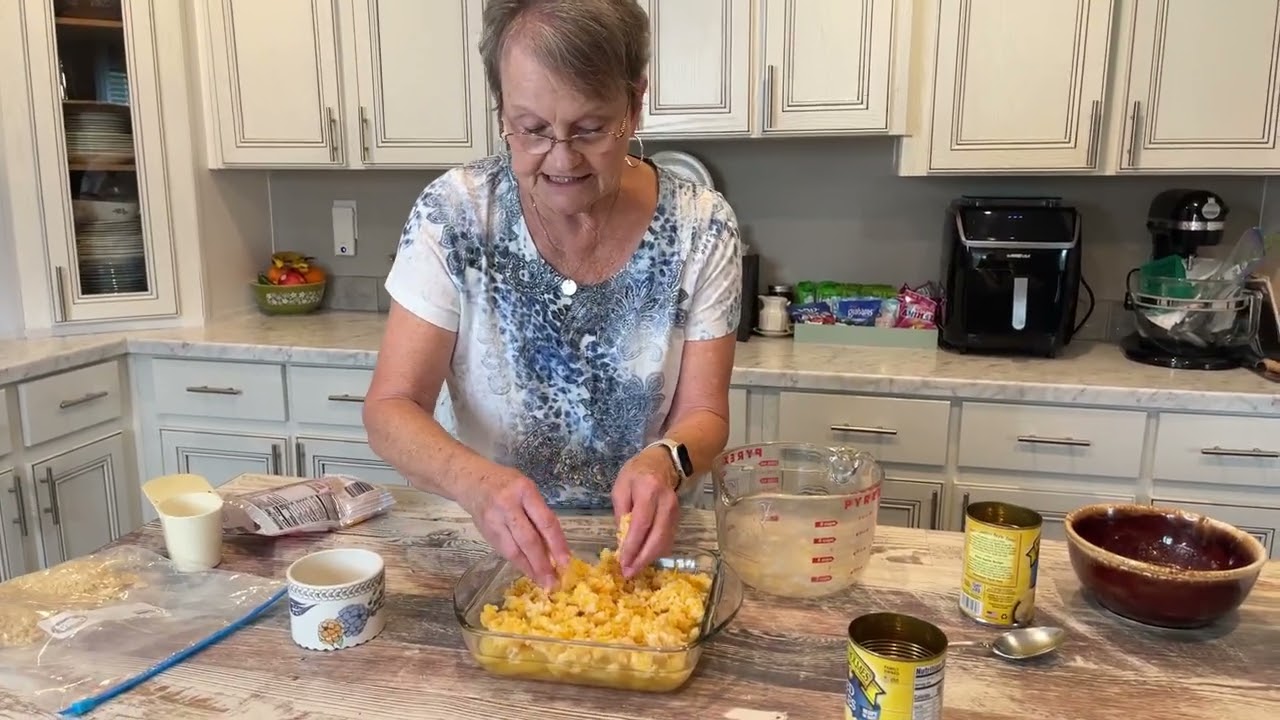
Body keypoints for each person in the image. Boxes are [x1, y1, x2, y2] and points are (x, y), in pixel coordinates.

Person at [363, 0, 742, 591]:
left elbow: (706, 415)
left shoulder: (702, 224)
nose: (561, 159)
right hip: (483, 544)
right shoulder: (455, 214)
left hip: (643, 554)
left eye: (589, 129)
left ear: (634, 103)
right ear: (502, 111)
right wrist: (478, 483)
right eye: (533, 129)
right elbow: (390, 408)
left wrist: (665, 461)